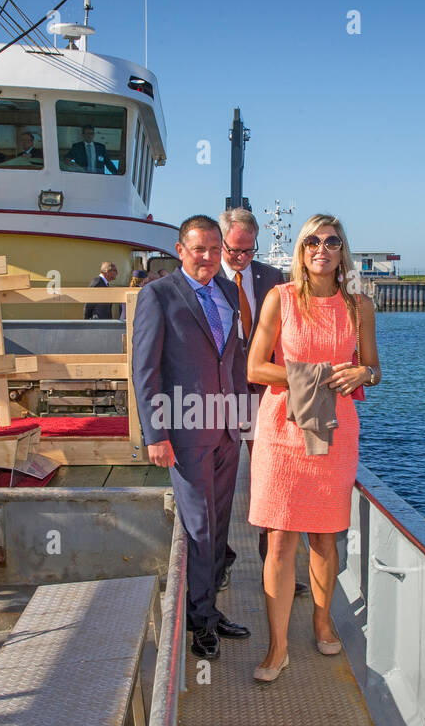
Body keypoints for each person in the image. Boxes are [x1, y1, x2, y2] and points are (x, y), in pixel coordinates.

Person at [246, 214, 380, 682]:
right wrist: (313, 376)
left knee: (324, 537)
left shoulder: (360, 306)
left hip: (336, 432)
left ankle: (322, 621)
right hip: (283, 432)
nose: (321, 248)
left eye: (332, 241)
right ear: (301, 251)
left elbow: (373, 368)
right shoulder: (278, 300)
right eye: (312, 241)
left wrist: (364, 374)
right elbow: (255, 369)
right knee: (280, 540)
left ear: (342, 251)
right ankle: (277, 647)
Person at [131, 215, 251, 660]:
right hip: (183, 432)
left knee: (219, 525)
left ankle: (210, 608)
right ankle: (199, 622)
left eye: (215, 250)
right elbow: (145, 371)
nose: (208, 257)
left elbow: (234, 360)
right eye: (199, 249)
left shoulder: (228, 292)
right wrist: (155, 434)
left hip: (225, 431)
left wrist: (242, 414)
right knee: (199, 527)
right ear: (180, 250)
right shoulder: (158, 295)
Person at [215, 207, 307, 595]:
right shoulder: (203, 278)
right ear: (221, 242)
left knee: (275, 483)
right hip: (217, 396)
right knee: (218, 484)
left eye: (248, 251)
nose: (241, 258)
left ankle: (279, 566)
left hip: (266, 395)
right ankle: (218, 565)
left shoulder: (272, 278)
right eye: (234, 250)